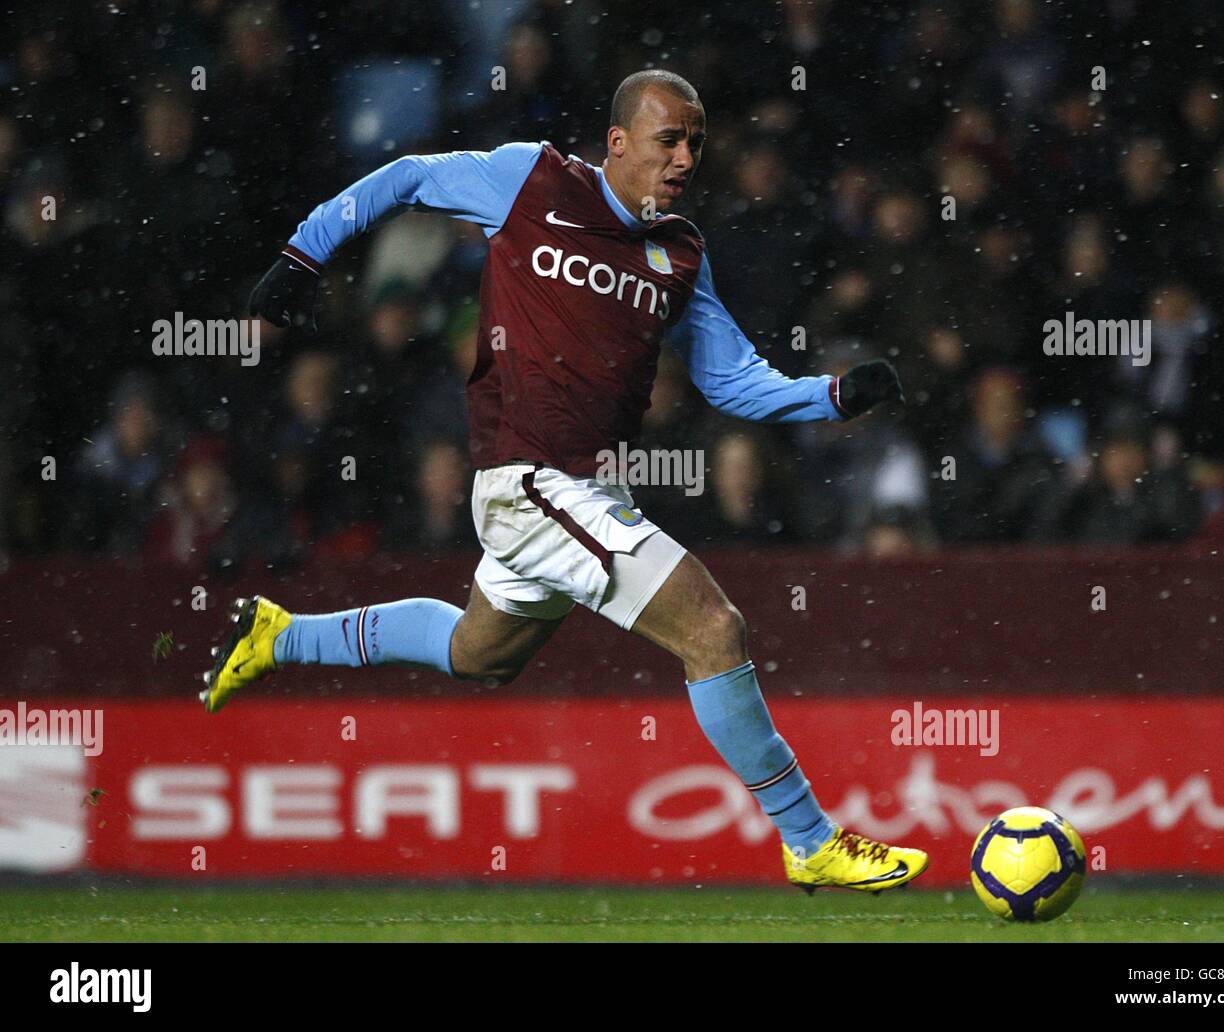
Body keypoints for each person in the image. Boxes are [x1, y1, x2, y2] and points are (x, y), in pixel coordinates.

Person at [204, 70, 924, 894]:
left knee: (477, 655)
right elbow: (408, 176)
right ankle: (810, 839)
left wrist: (830, 396)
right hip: (528, 481)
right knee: (713, 630)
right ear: (617, 142)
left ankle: (278, 635)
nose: (686, 157)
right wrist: (301, 256)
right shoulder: (530, 179)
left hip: (588, 491)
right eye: (668, 140)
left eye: (695, 141)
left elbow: (730, 380)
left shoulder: (680, 252)